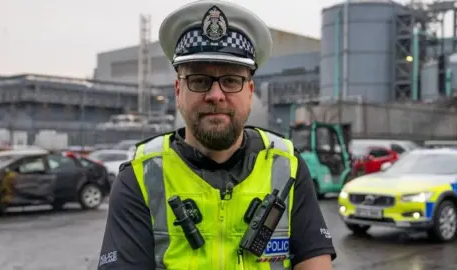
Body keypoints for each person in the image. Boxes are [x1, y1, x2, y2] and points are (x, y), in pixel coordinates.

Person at [97, 1, 336, 269]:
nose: (215, 95)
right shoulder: (140, 177)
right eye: (199, 80)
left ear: (249, 91)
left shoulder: (288, 166)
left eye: (231, 80)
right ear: (178, 90)